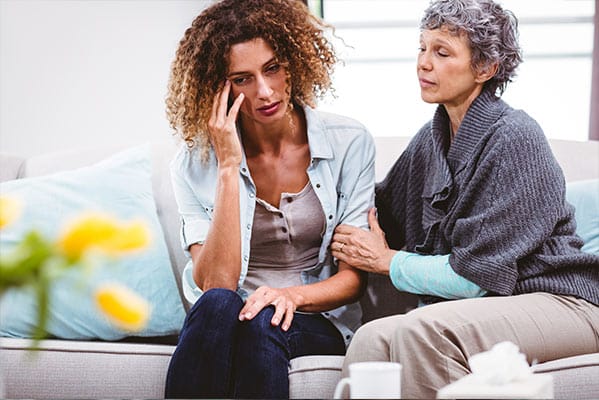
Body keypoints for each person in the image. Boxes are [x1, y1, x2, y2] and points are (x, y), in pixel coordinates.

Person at [331, 0, 599, 398]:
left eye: (442, 52)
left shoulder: (515, 137)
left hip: (562, 301)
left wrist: (386, 261)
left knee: (421, 332)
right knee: (370, 342)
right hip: (498, 304)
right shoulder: (431, 138)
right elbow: (379, 210)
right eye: (422, 48)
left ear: (485, 69)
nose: (423, 63)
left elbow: (477, 278)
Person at [163, 0, 374, 398]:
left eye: (272, 68)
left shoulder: (349, 143)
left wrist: (288, 296)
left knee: (265, 319)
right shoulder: (192, 166)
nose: (264, 91)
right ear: (217, 88)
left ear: (293, 62)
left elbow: (352, 280)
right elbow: (216, 284)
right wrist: (228, 166)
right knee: (219, 306)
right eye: (242, 79)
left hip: (314, 315)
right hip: (227, 315)